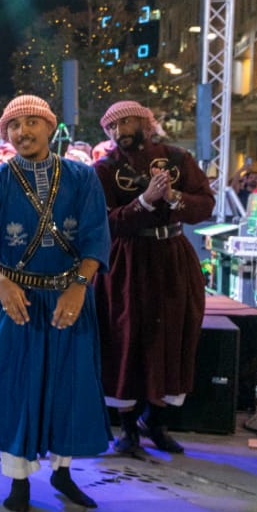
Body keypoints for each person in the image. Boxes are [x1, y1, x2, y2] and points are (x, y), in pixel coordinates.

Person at [0, 95, 111, 512]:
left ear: (49, 127)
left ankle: (63, 471)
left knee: (69, 384)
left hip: (68, 297)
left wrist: (79, 286)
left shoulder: (82, 177)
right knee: (16, 386)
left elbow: (96, 238)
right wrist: (1, 282)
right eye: (13, 125)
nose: (22, 132)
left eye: (31, 122)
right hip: (17, 300)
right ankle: (18, 481)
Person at [94, 101, 214, 457]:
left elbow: (205, 205)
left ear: (145, 123)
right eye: (111, 127)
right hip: (126, 262)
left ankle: (157, 422)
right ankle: (128, 428)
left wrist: (174, 197)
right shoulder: (104, 169)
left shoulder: (177, 159)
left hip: (173, 258)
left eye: (125, 123)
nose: (118, 131)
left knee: (172, 335)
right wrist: (144, 202)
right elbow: (104, 222)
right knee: (125, 338)